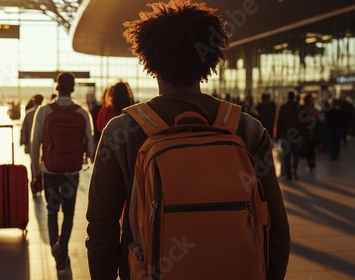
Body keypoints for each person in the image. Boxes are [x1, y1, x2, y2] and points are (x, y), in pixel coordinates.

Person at [85, 1, 290, 280]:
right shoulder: (246, 128)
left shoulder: (122, 131)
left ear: (148, 60)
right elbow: (277, 226)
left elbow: (102, 227)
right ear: (211, 57)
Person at [30, 72, 95, 270]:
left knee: (51, 211)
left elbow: (35, 144)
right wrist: (89, 160)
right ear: (73, 88)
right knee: (68, 212)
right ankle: (63, 249)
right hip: (71, 171)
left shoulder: (44, 111)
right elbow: (90, 144)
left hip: (50, 169)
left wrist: (35, 173)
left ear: (56, 87)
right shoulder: (82, 113)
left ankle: (54, 246)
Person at [274, 91, 304, 180]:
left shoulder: (282, 107)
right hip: (297, 135)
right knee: (296, 154)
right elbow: (303, 122)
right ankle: (294, 167)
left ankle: (288, 175)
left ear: (287, 97)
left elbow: (278, 123)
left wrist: (276, 136)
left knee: (286, 155)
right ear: (294, 97)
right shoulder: (299, 107)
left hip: (285, 135)